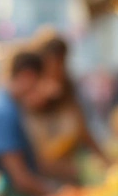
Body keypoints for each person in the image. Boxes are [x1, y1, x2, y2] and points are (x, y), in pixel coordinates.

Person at [0, 50, 55, 196]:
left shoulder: (3, 102)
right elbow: (20, 178)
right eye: (39, 82)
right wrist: (58, 194)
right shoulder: (3, 113)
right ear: (28, 76)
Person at [23, 33, 110, 183]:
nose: (59, 68)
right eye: (54, 62)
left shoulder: (67, 88)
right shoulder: (31, 93)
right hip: (46, 178)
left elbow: (81, 128)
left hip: (71, 169)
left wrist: (104, 159)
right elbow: (38, 155)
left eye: (62, 62)